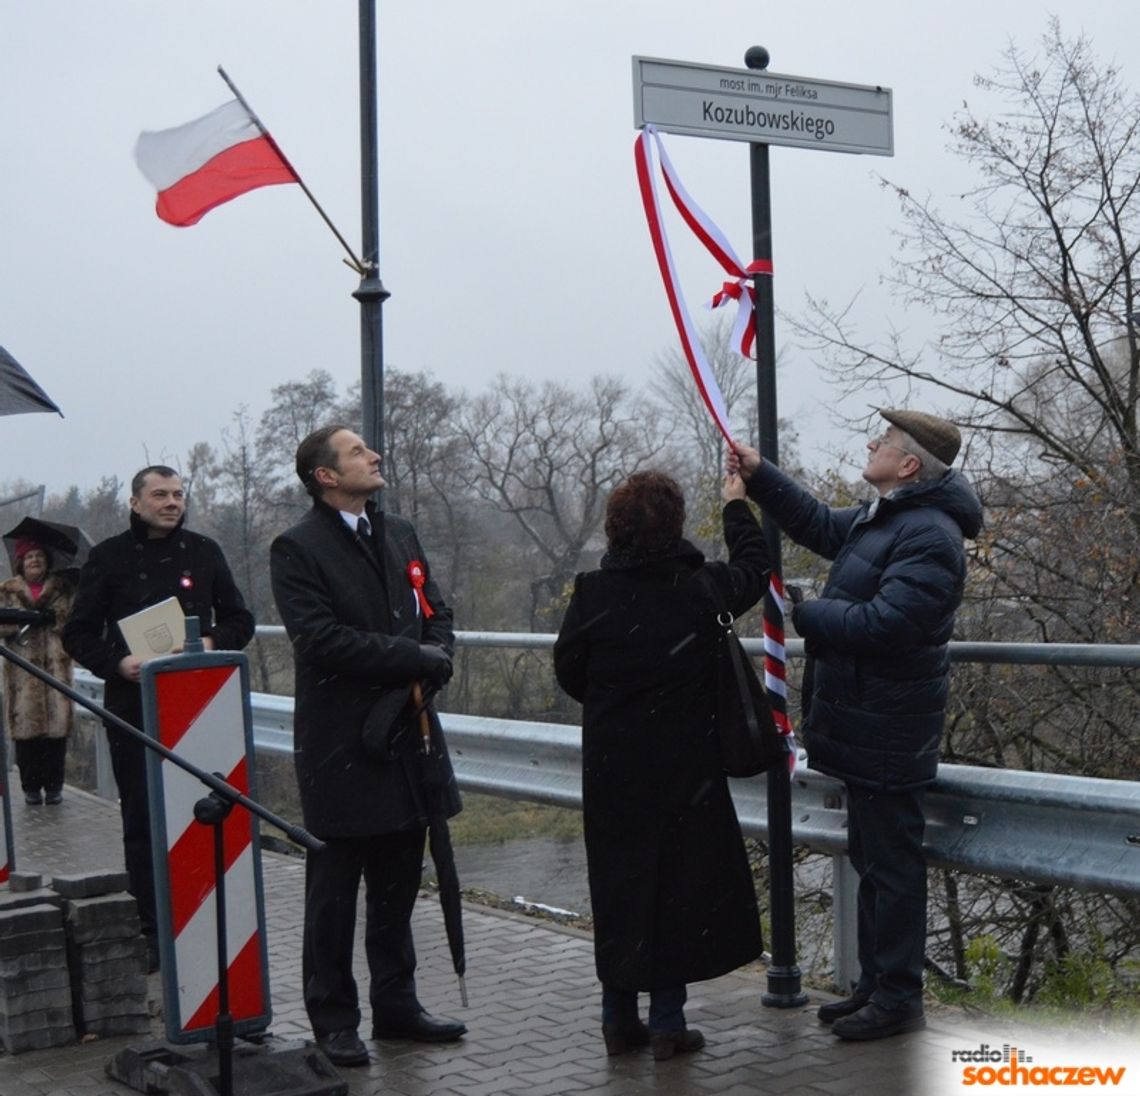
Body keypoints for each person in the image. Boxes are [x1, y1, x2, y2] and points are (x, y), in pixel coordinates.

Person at [728, 409, 982, 1042]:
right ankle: (874, 986)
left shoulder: (929, 535)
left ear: (910, 465)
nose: (871, 444)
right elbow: (817, 523)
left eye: (884, 441)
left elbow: (889, 625)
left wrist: (810, 617)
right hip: (870, 724)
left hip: (891, 728)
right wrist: (760, 477)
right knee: (874, 860)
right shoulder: (888, 517)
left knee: (893, 867)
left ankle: (898, 999)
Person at [553, 469, 768, 1062]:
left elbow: (570, 670)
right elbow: (756, 564)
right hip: (684, 768)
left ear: (614, 528)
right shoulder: (701, 587)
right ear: (674, 525)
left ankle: (617, 1020)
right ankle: (669, 1024)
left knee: (620, 887)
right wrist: (734, 505)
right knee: (675, 890)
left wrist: (617, 705)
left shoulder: (592, 593)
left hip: (613, 768)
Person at [269, 424, 466, 1069]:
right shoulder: (296, 548)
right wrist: (414, 656)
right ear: (325, 476)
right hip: (340, 747)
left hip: (408, 738)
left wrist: (437, 655)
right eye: (357, 452)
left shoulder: (399, 531)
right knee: (334, 892)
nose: (374, 455)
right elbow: (321, 640)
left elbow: (436, 611)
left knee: (399, 882)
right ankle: (333, 1019)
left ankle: (397, 1006)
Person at [62, 466, 254, 971]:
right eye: (160, 495)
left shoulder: (205, 551)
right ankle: (152, 931)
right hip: (135, 707)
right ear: (135, 503)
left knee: (205, 811)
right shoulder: (107, 558)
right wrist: (117, 664)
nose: (172, 502)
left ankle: (213, 916)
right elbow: (77, 633)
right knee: (144, 822)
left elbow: (241, 620)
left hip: (204, 704)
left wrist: (208, 642)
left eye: (177, 493)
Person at [0, 540, 76, 805]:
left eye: (39, 556)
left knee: (56, 736)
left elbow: (74, 622)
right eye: (29, 556)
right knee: (26, 735)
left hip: (55, 670)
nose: (34, 560)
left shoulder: (62, 589)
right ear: (21, 562)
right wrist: (19, 621)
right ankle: (30, 787)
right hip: (21, 673)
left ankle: (55, 787)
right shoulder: (7, 590)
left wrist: (54, 619)